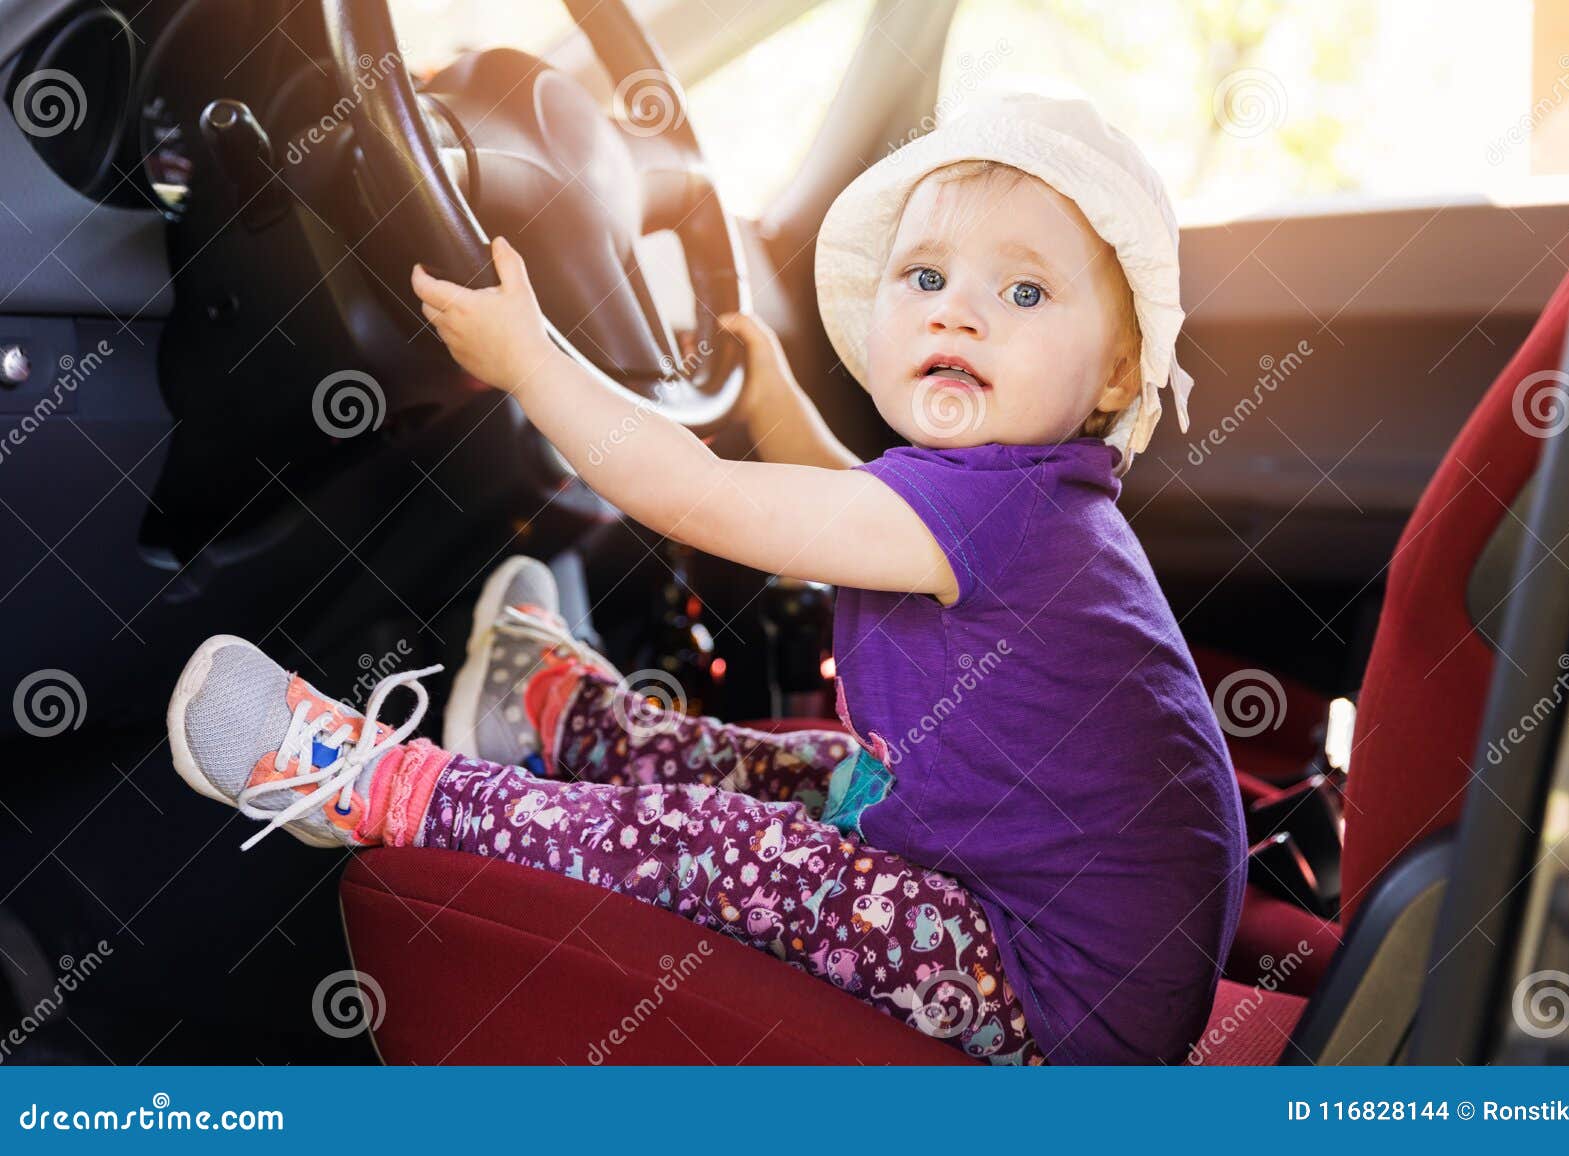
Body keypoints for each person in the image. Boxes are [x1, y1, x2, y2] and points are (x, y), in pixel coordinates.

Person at [165, 91, 1246, 1065]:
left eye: (1023, 290)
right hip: (1059, 932)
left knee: (732, 847)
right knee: (815, 772)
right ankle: (563, 718)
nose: (956, 311)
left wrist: (532, 359)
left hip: (1048, 998)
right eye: (924, 276)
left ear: (1116, 367)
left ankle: (377, 789)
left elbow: (701, 502)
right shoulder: (1020, 499)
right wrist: (768, 399)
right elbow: (836, 500)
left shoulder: (1003, 510)